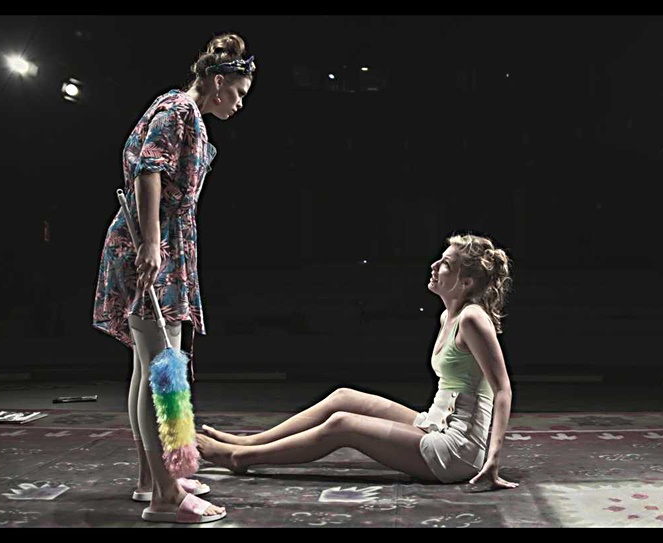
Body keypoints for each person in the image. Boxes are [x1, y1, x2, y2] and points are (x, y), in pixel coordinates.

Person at [198, 234, 519, 489]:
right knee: (344, 397)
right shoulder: (448, 316)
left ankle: (240, 457)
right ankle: (249, 441)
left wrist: (492, 459)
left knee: (343, 424)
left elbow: (502, 389)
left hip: (456, 451)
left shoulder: (473, 319)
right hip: (435, 423)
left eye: (446, 264)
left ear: (466, 282)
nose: (434, 265)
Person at [92, 32, 256, 523]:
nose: (240, 103)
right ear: (218, 82)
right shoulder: (179, 110)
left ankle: (152, 480)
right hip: (153, 247)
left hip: (162, 244)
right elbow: (149, 170)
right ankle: (166, 496)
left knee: (149, 368)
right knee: (164, 370)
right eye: (239, 92)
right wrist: (150, 242)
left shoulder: (183, 113)